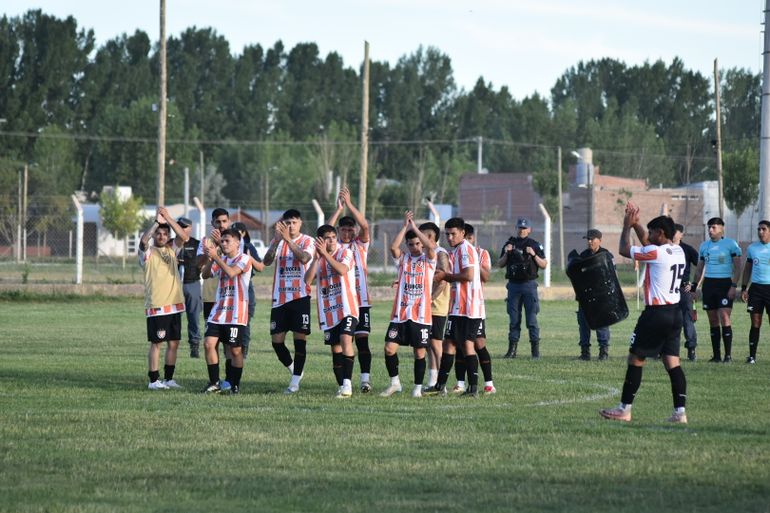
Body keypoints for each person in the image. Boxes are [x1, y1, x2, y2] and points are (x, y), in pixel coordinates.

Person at [600, 203, 688, 424]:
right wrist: (638, 223)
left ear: (661, 233)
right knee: (672, 362)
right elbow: (650, 244)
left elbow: (623, 249)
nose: (647, 235)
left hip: (656, 314)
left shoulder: (655, 253)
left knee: (636, 359)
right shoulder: (678, 250)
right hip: (675, 313)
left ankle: (624, 409)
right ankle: (680, 413)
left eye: (651, 231)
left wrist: (626, 227)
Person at [425, 217, 484, 397]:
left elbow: (468, 275)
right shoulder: (457, 250)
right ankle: (439, 386)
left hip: (469, 307)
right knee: (448, 344)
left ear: (463, 233)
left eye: (453, 234)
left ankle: (473, 388)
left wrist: (445, 276)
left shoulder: (465, 249)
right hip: (459, 307)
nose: (449, 238)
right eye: (447, 234)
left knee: (467, 345)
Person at [380, 211, 437, 398]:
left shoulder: (428, 260)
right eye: (411, 244)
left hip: (421, 315)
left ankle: (418, 388)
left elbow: (430, 246)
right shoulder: (404, 259)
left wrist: (415, 228)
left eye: (417, 244)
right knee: (389, 348)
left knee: (419, 352)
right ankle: (395, 383)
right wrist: (405, 226)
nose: (415, 247)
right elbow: (393, 247)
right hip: (400, 313)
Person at [262, 209, 315, 394]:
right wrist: (276, 241)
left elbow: (304, 258)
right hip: (280, 298)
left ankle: (294, 383)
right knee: (276, 342)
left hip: (300, 297)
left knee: (300, 340)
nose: (291, 225)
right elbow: (267, 261)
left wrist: (287, 240)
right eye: (288, 222)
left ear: (300, 223)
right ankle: (295, 370)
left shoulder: (308, 241)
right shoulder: (277, 241)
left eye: (294, 222)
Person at [304, 224, 359, 398]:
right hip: (329, 311)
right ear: (320, 241)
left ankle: (348, 386)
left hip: (348, 308)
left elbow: (342, 270)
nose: (332, 241)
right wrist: (316, 258)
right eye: (327, 238)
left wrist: (325, 255)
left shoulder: (345, 253)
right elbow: (307, 280)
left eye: (333, 237)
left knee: (345, 339)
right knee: (335, 350)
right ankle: (342, 385)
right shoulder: (319, 259)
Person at [328, 186, 374, 393]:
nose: (346, 232)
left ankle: (365, 380)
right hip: (339, 302)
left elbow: (364, 224)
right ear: (338, 231)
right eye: (343, 229)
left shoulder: (360, 245)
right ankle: (343, 382)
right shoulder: (334, 246)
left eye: (350, 229)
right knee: (337, 345)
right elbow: (324, 231)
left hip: (360, 300)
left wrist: (350, 204)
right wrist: (338, 210)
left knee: (362, 340)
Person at [138, 207, 187, 390]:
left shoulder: (172, 250)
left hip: (175, 305)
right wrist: (157, 222)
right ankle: (153, 380)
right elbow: (143, 240)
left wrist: (168, 218)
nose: (161, 236)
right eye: (158, 233)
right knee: (157, 343)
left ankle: (168, 379)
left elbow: (183, 237)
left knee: (174, 343)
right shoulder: (147, 252)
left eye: (165, 234)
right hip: (157, 306)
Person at [200, 228, 252, 394]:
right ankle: (215, 382)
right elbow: (206, 274)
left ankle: (234, 384)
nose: (223, 243)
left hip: (236, 313)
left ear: (237, 243)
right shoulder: (220, 258)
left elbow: (231, 273)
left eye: (227, 241)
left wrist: (216, 257)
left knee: (235, 350)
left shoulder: (244, 259)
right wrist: (211, 259)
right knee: (208, 344)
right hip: (218, 310)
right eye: (222, 241)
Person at [452, 223, 495, 393]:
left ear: (473, 238)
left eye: (470, 239)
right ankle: (461, 383)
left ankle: (489, 383)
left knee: (479, 344)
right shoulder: (456, 252)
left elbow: (485, 277)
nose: (468, 242)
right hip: (459, 305)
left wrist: (475, 262)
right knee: (460, 344)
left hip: (476, 306)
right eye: (466, 239)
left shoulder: (481, 253)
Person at [497, 218, 548, 359]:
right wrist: (507, 253)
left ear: (529, 229)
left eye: (525, 228)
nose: (522, 230)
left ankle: (535, 351)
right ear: (516, 228)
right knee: (514, 319)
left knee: (531, 319)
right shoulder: (509, 244)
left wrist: (534, 254)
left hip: (529, 285)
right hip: (513, 285)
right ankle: (512, 350)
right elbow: (500, 264)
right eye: (520, 227)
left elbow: (544, 264)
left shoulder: (535, 245)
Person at [694, 217, 742, 362]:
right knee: (712, 320)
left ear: (722, 228)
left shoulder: (731, 244)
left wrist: (734, 286)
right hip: (709, 285)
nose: (710, 230)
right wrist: (694, 287)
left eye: (714, 227)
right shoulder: (704, 246)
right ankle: (716, 356)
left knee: (724, 317)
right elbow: (699, 269)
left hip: (725, 284)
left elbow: (738, 267)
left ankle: (728, 356)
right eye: (709, 227)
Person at [418, 221, 450, 390]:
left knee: (436, 343)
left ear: (430, 237)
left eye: (421, 235)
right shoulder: (425, 253)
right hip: (426, 304)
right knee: (429, 342)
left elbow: (443, 281)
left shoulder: (441, 253)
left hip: (437, 305)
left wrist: (430, 299)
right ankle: (432, 380)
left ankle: (441, 384)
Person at [575, 229, 612, 361]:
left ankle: (603, 351)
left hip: (600, 296)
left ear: (599, 240)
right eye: (588, 239)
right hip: (584, 296)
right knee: (583, 324)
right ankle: (585, 352)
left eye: (592, 239)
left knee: (601, 323)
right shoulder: (583, 255)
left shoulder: (605, 254)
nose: (589, 241)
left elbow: (612, 276)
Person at [230, 221, 265, 359]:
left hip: (245, 285)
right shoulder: (227, 247)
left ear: (243, 233)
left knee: (245, 319)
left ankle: (244, 350)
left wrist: (249, 257)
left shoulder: (248, 247)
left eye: (237, 232)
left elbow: (260, 267)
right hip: (229, 286)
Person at [740, 220, 770, 364]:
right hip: (756, 289)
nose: (760, 232)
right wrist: (744, 288)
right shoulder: (752, 248)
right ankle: (752, 356)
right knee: (755, 322)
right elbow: (747, 269)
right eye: (758, 229)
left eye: (763, 229)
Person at [174, 216, 203, 358]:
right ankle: (172, 345)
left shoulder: (197, 244)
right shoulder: (171, 244)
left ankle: (194, 345)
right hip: (174, 285)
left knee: (193, 317)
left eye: (184, 227)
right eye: (178, 226)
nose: (180, 229)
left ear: (190, 228)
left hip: (192, 283)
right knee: (174, 317)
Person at [673, 223, 699, 361]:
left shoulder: (687, 249)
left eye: (675, 231)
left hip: (683, 289)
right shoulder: (665, 249)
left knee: (687, 320)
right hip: (668, 290)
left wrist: (694, 285)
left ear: (681, 234)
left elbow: (701, 264)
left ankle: (691, 349)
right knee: (666, 319)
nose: (672, 233)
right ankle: (663, 350)